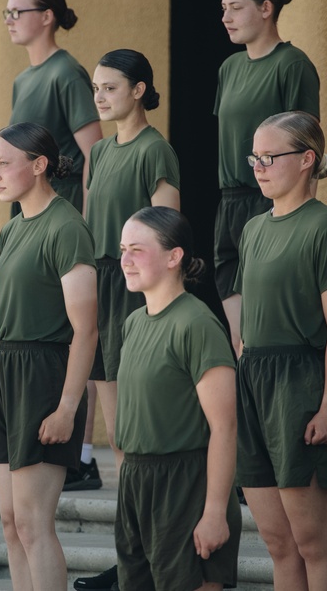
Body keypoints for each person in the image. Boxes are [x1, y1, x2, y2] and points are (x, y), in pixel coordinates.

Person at [236, 111, 327, 591]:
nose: (259, 167)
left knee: (313, 540)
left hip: (303, 383)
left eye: (270, 157)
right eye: (255, 158)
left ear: (307, 159)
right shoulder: (252, 229)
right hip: (255, 382)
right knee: (278, 542)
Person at [72, 50, 181, 591]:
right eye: (96, 87)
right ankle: (131, 558)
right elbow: (93, 225)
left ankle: (161, 554)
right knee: (118, 437)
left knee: (144, 431)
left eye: (110, 87)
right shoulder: (100, 150)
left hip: (139, 288)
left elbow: (168, 230)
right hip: (102, 285)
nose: (100, 97)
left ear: (138, 90)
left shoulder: (154, 149)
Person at [0, 122, 97, 590]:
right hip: (3, 370)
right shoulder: (11, 230)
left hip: (43, 375)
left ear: (39, 164)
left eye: (3, 163)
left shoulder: (66, 226)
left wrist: (68, 407)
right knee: (11, 523)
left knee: (33, 524)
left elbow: (86, 329)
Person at [113, 206, 239, 591]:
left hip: (184, 485)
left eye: (137, 249)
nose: (125, 260)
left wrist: (215, 511)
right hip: (136, 483)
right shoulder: (133, 323)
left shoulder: (197, 324)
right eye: (122, 249)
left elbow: (225, 426)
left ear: (174, 256)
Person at [215, 0, 320, 352]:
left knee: (269, 335)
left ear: (265, 8)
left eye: (235, 8)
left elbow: (309, 146)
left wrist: (294, 213)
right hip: (231, 202)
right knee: (240, 342)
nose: (225, 18)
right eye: (223, 8)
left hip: (273, 201)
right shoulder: (229, 68)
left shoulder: (292, 65)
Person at [4, 0, 102, 214]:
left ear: (46, 16)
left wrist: (88, 221)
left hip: (61, 207)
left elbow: (95, 153)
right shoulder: (22, 80)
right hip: (28, 207)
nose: (8, 20)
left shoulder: (66, 73)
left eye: (17, 12)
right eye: (6, 12)